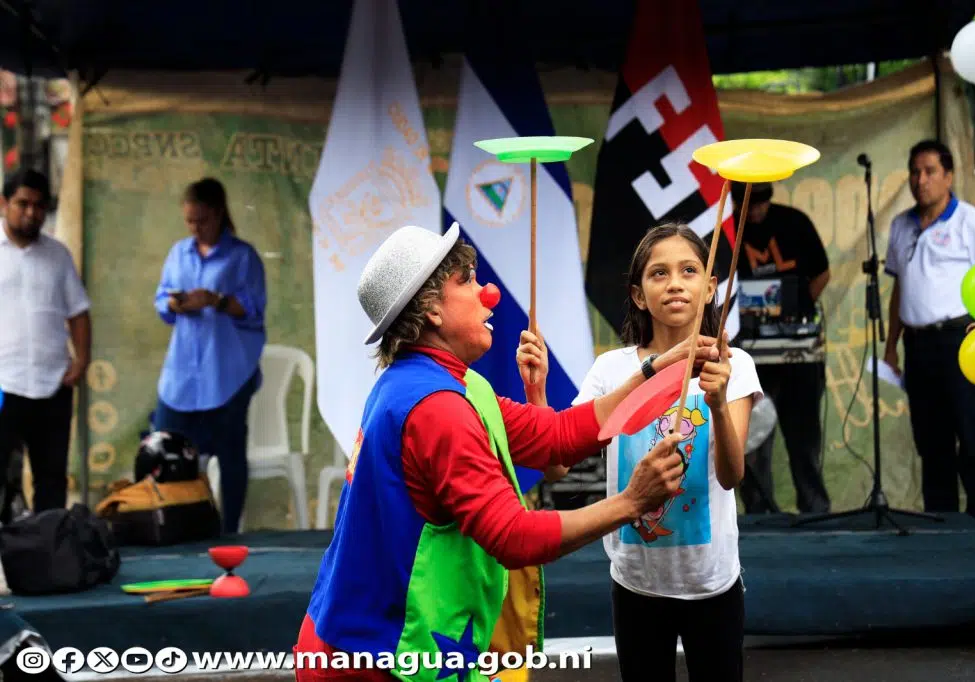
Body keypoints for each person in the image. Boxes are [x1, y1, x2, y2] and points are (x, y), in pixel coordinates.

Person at [295, 222, 716, 682]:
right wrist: (631, 502)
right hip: (372, 660)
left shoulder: (439, 384)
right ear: (431, 310)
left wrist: (656, 374)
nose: (488, 293)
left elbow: (556, 434)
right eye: (467, 281)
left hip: (365, 643)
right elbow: (513, 537)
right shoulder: (437, 408)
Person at [549, 222, 762, 682]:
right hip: (636, 583)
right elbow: (556, 466)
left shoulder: (733, 365)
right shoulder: (612, 371)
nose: (675, 284)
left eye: (689, 271)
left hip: (711, 584)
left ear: (710, 288)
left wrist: (717, 404)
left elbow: (732, 475)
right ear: (639, 294)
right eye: (659, 273)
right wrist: (534, 393)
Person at [883, 140, 975, 529]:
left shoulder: (970, 222)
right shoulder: (900, 225)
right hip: (917, 344)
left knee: (971, 436)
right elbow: (899, 289)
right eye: (915, 172)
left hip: (960, 340)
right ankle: (943, 527)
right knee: (931, 441)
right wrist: (891, 346)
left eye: (930, 171)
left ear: (948, 176)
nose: (921, 180)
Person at [152, 178, 266, 534]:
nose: (194, 228)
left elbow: (254, 309)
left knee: (230, 459)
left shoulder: (243, 257)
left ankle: (229, 530)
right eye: (189, 221)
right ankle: (171, 528)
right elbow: (161, 301)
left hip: (227, 374)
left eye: (201, 220)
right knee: (165, 450)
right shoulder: (178, 253)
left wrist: (215, 300)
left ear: (218, 214)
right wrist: (174, 304)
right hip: (182, 376)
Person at [726, 181, 831, 515]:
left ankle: (815, 514)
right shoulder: (728, 231)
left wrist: (796, 309)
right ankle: (760, 516)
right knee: (753, 442)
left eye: (760, 203)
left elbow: (822, 272)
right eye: (748, 204)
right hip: (750, 356)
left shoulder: (794, 222)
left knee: (804, 440)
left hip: (799, 358)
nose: (755, 212)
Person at [0, 167, 90, 522]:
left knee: (51, 481)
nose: (31, 212)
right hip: (4, 384)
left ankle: (48, 548)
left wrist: (81, 360)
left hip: (52, 384)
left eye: (39, 205)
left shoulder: (58, 255)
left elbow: (78, 311)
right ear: (4, 204)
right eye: (23, 203)